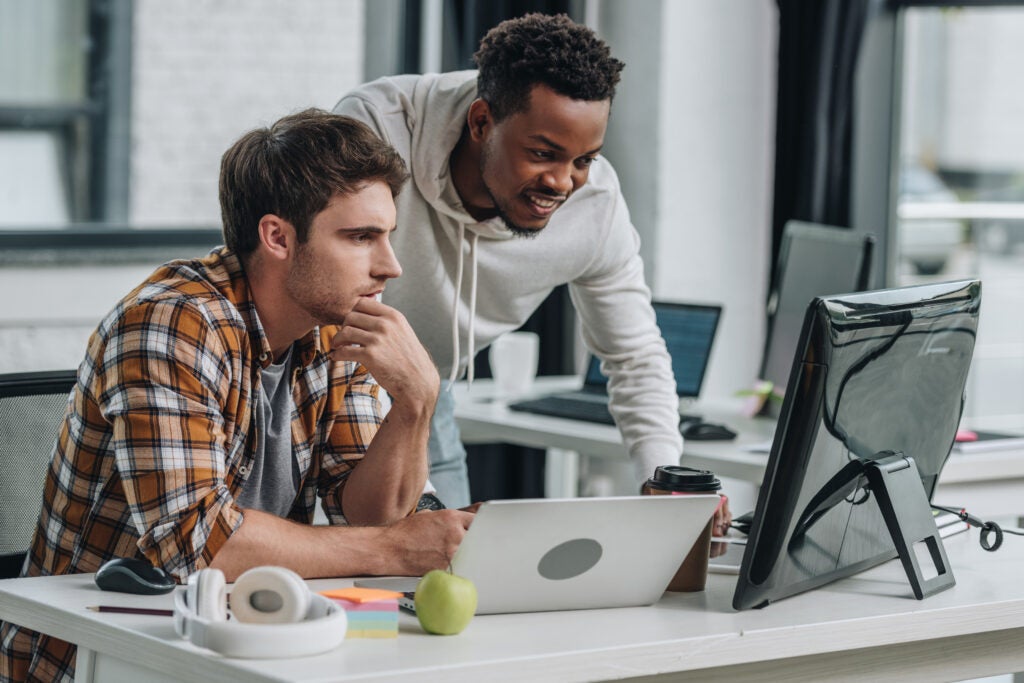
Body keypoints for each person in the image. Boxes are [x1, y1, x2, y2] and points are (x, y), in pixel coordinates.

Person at [0, 110, 473, 682]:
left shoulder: (333, 329)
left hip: (252, 640)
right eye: (360, 237)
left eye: (387, 235)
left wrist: (416, 402)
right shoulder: (169, 323)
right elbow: (200, 545)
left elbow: (373, 514)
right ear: (277, 237)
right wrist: (396, 550)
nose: (390, 265)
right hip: (107, 656)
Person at [333, 13, 706, 510]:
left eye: (583, 159)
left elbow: (635, 356)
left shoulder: (594, 206)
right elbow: (317, 285)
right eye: (543, 153)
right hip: (327, 378)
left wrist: (665, 479)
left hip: (426, 395)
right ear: (481, 121)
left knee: (447, 568)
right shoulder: (377, 130)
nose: (563, 183)